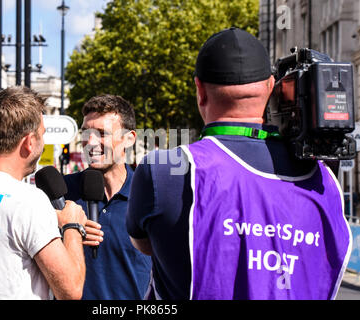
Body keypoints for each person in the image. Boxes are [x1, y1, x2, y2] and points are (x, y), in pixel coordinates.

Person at [126, 28, 352, 300]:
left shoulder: (162, 170)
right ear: (271, 87)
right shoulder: (325, 180)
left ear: (200, 91)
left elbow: (144, 244)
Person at [0, 87, 91, 300]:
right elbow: (71, 290)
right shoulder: (27, 201)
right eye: (42, 135)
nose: (42, 142)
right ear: (29, 142)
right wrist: (72, 226)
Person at [64, 94, 152, 299]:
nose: (91, 142)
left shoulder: (150, 195)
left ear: (129, 139)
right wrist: (66, 231)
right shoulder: (61, 193)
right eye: (86, 132)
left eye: (102, 133)